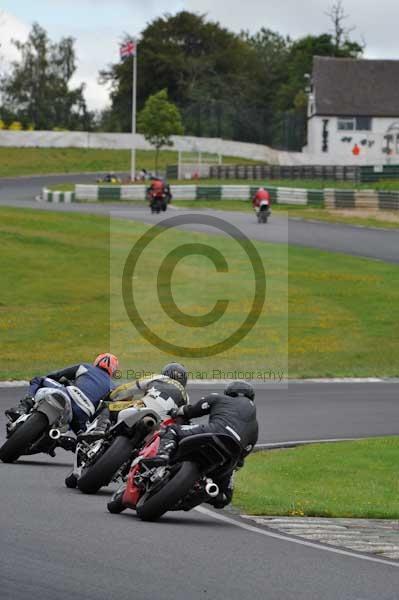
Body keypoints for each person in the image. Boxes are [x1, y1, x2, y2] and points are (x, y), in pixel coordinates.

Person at [144, 380, 258, 509]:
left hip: (214, 432)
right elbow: (241, 459)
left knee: (172, 430)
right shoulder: (255, 426)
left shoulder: (219, 398)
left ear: (228, 393)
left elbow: (191, 411)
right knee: (224, 498)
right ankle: (203, 493)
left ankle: (163, 455)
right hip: (231, 455)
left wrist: (176, 412)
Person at [5, 353, 119, 436]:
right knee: (82, 438)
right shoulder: (113, 386)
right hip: (83, 414)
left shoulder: (85, 367)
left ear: (97, 361)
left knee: (38, 380)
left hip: (68, 395)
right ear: (113, 371)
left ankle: (24, 406)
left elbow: (56, 375)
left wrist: (62, 381)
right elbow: (107, 408)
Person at [78, 362, 189, 440]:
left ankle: (100, 430)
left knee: (108, 407)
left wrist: (111, 396)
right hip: (162, 426)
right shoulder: (186, 397)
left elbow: (127, 389)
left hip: (143, 406)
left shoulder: (158, 377)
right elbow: (183, 418)